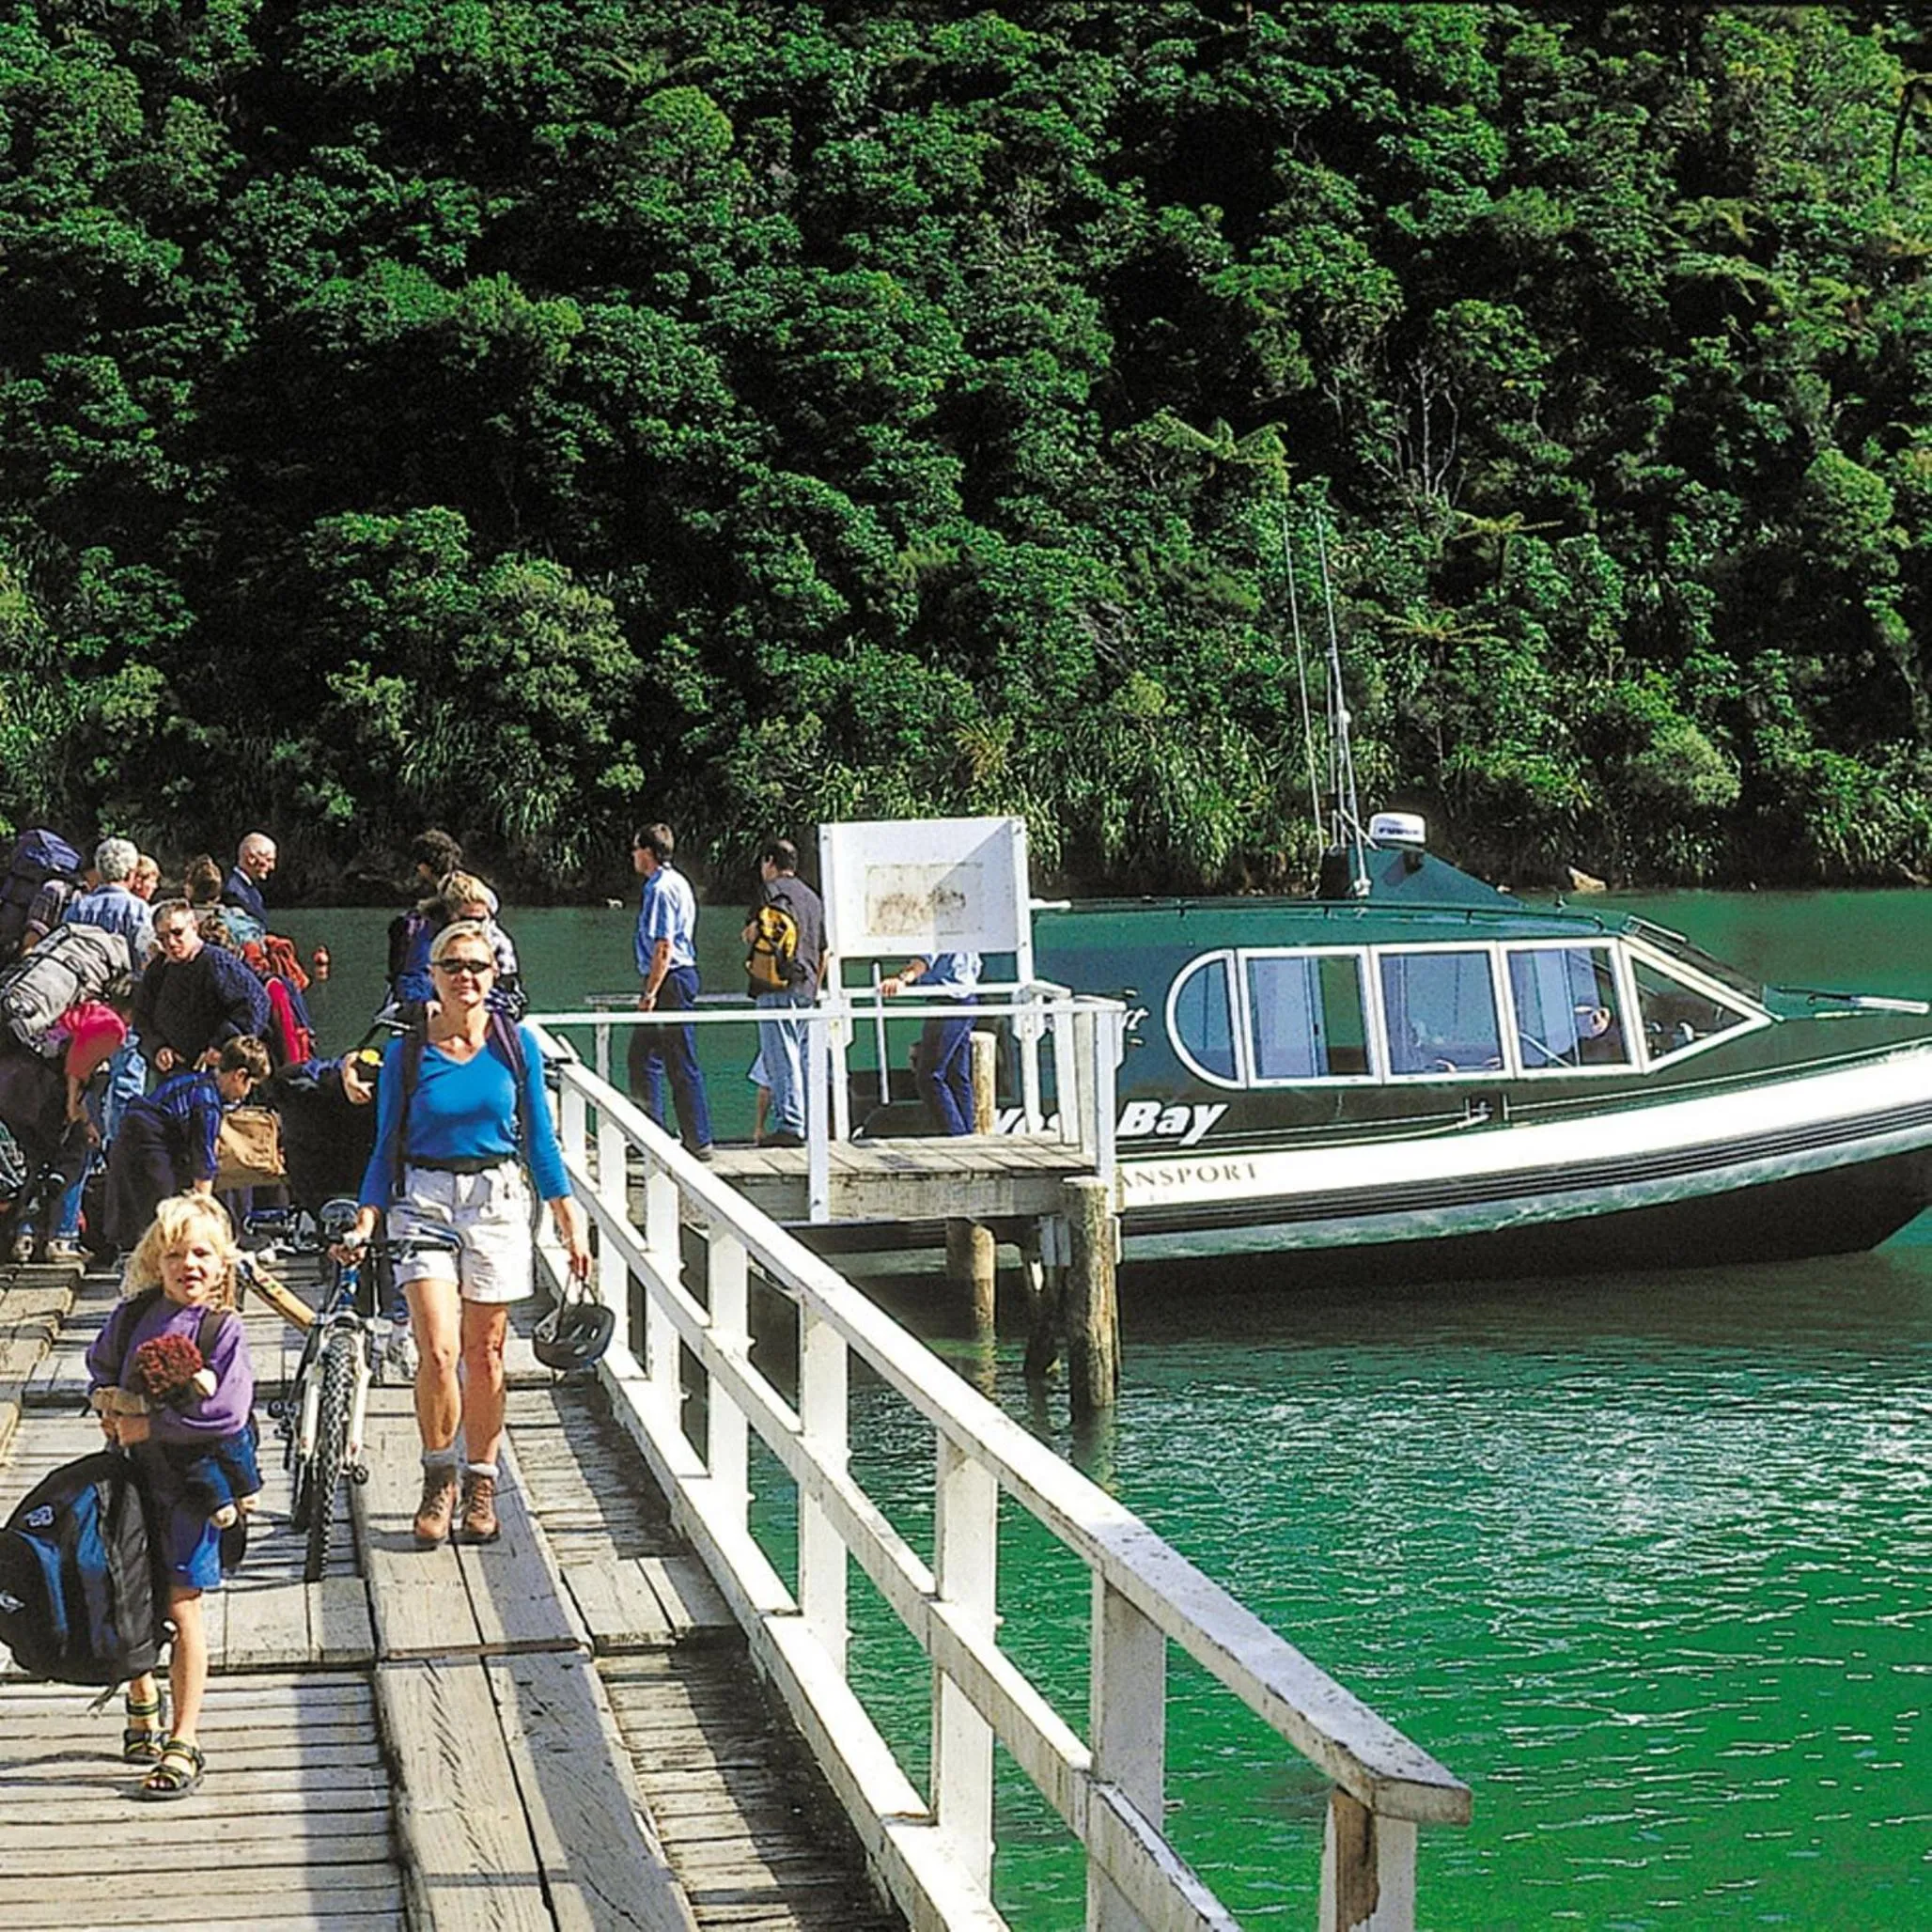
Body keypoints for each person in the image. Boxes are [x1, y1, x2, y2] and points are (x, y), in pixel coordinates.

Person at [342, 922, 591, 1547]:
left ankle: (481, 1478)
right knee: (439, 1350)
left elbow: (538, 1135)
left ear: (494, 973)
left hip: (497, 1198)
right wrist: (368, 1215)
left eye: (478, 966)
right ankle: (438, 1474)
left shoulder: (515, 1044)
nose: (466, 977)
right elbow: (384, 1143)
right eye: (453, 965)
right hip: (423, 1198)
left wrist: (564, 1211)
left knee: (485, 1354)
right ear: (433, 975)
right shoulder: (406, 1050)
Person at [86, 1193, 256, 1800]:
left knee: (182, 1604)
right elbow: (100, 1365)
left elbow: (227, 1412)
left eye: (203, 1255)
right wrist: (109, 1402)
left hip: (191, 1484)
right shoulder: (133, 1317)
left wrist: (150, 1425)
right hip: (130, 1478)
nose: (190, 1265)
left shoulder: (223, 1330)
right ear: (157, 1262)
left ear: (223, 1265)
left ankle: (184, 1738)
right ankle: (141, 1695)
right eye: (177, 1255)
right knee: (126, 1587)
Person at [102, 1036, 271, 1254]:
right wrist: (204, 1210)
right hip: (150, 1141)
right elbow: (203, 1161)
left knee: (144, 1212)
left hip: (133, 1132)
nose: (246, 1093)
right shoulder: (207, 1102)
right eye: (250, 1085)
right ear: (239, 1076)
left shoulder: (195, 1080)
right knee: (164, 1212)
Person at [628, 823, 712, 1159]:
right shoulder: (677, 882)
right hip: (676, 976)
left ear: (647, 851)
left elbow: (664, 945)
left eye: (635, 849)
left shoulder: (660, 889)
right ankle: (656, 1133)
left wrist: (650, 993)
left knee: (676, 1059)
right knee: (645, 1058)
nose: (633, 856)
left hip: (670, 979)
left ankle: (696, 1138)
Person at [740, 838, 825, 1147]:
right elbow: (823, 949)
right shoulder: (813, 899)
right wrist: (814, 988)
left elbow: (753, 932)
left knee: (781, 1056)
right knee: (800, 1055)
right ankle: (805, 1120)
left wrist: (747, 934)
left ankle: (791, 1125)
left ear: (770, 862)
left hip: (774, 985)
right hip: (807, 986)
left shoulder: (770, 892)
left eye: (764, 863)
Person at [130, 899, 271, 1075]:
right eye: (162, 938)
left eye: (177, 933)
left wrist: (222, 1045)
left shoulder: (217, 962)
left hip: (219, 1072)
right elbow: (142, 1019)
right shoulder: (157, 970)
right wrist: (158, 1048)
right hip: (174, 1072)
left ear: (194, 927)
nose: (171, 943)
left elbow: (255, 1003)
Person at [880, 950, 984, 1134]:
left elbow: (925, 959)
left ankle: (956, 1135)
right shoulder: (964, 926)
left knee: (929, 1076)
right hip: (965, 997)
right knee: (957, 1075)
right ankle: (966, 1136)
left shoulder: (937, 927)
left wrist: (902, 979)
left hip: (948, 1000)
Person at [221, 833, 276, 926]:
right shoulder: (233, 891)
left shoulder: (248, 888)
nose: (272, 867)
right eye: (269, 860)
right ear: (251, 858)